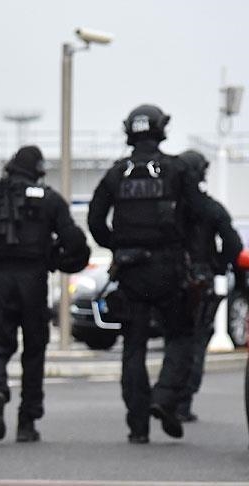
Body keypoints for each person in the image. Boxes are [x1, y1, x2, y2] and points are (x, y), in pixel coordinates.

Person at [88, 104, 207, 444]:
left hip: (131, 273)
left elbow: (96, 221)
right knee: (181, 337)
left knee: (134, 347)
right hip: (169, 270)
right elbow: (199, 215)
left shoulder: (116, 173)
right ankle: (165, 397)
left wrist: (118, 247)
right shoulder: (176, 169)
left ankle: (138, 427)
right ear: (160, 130)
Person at [0, 145, 89, 443]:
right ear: (38, 170)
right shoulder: (49, 199)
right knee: (34, 350)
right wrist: (59, 259)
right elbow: (73, 240)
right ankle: (27, 422)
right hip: (34, 280)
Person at [176, 150, 243, 423]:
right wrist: (219, 265)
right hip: (200, 279)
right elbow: (234, 245)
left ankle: (163, 398)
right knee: (196, 340)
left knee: (174, 339)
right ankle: (182, 401)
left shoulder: (169, 208)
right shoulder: (209, 208)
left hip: (170, 278)